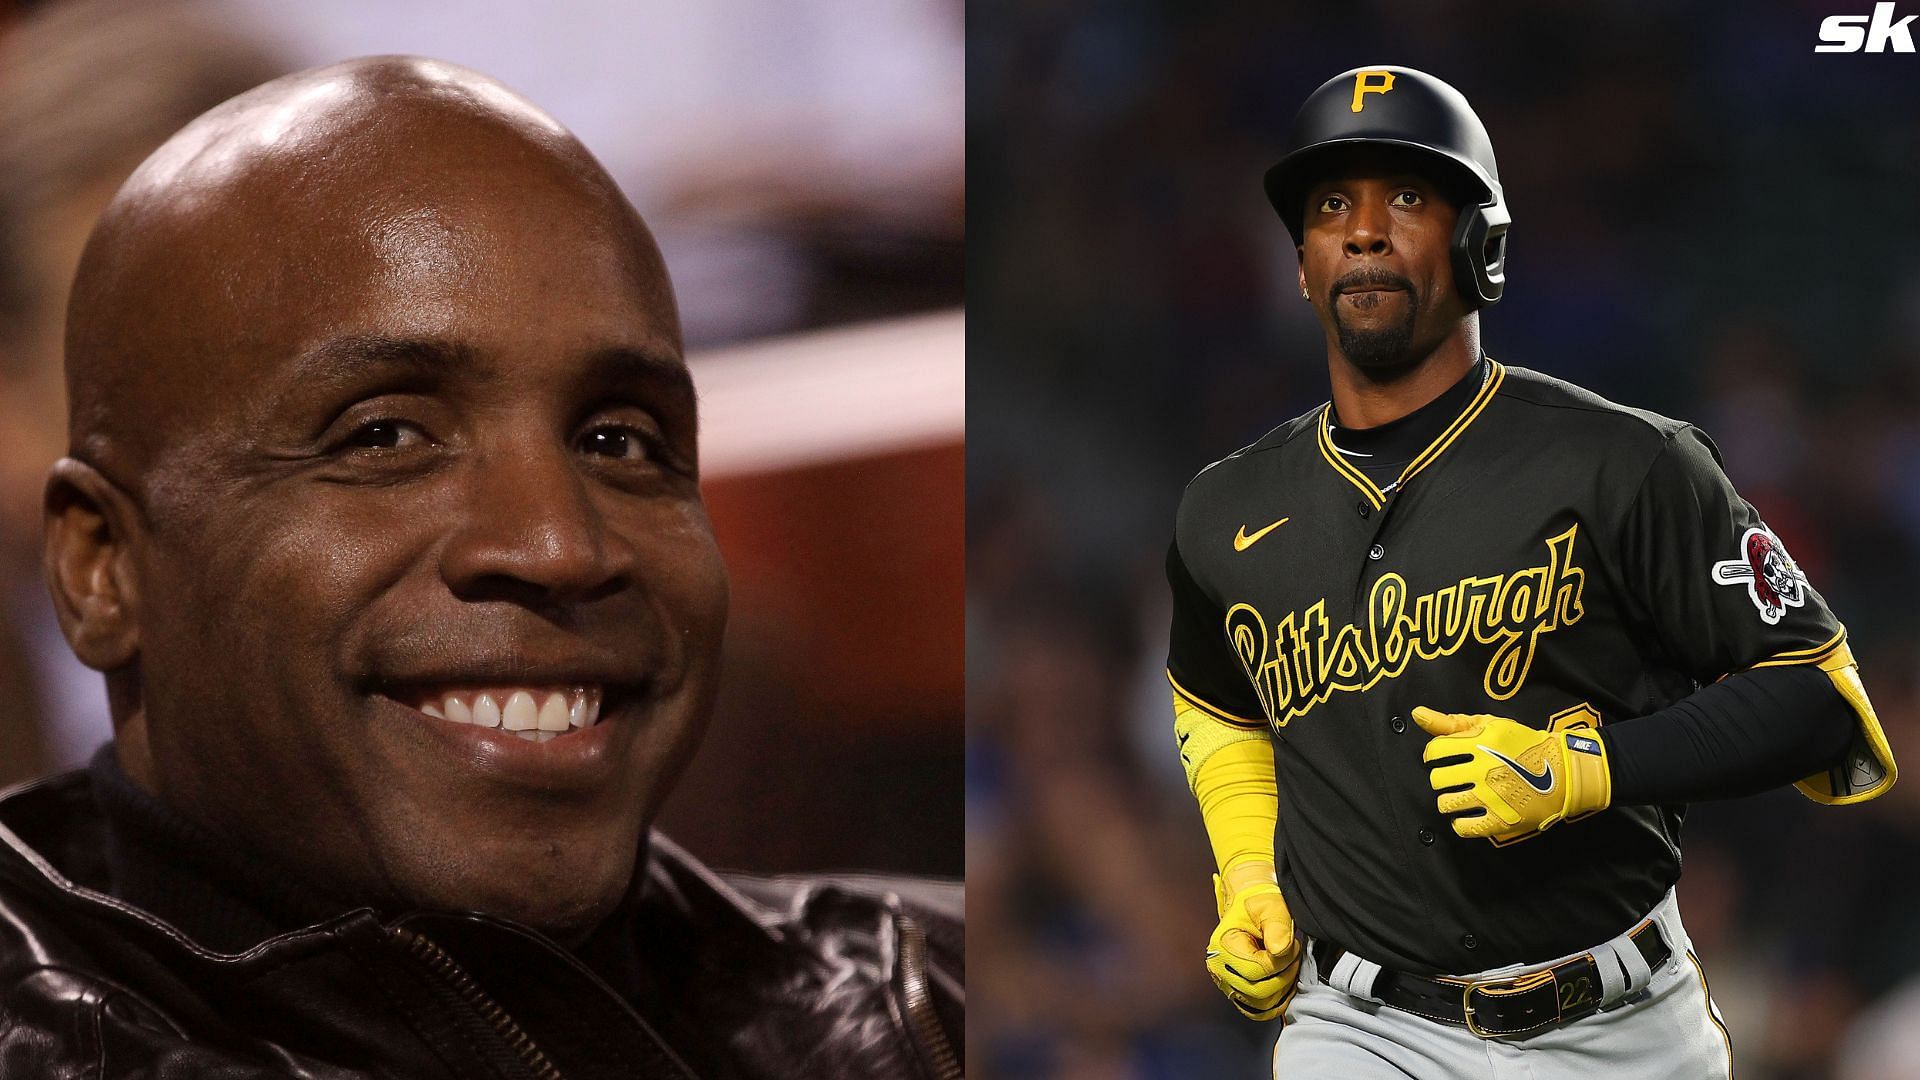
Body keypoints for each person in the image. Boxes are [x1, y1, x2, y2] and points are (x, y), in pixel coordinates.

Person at [0, 56, 961, 1079]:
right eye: (383, 437)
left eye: (618, 441)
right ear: (101, 565)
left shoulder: (932, 997)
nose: (559, 544)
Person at [1165, 65, 1893, 1078]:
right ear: (1300, 260)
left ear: (1481, 246)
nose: (1364, 231)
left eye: (1407, 199)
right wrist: (1248, 871)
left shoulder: (1627, 460)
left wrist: (1593, 771)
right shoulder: (1224, 509)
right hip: (1363, 1028)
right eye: (1333, 205)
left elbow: (1817, 694)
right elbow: (1220, 709)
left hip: (1621, 1023)